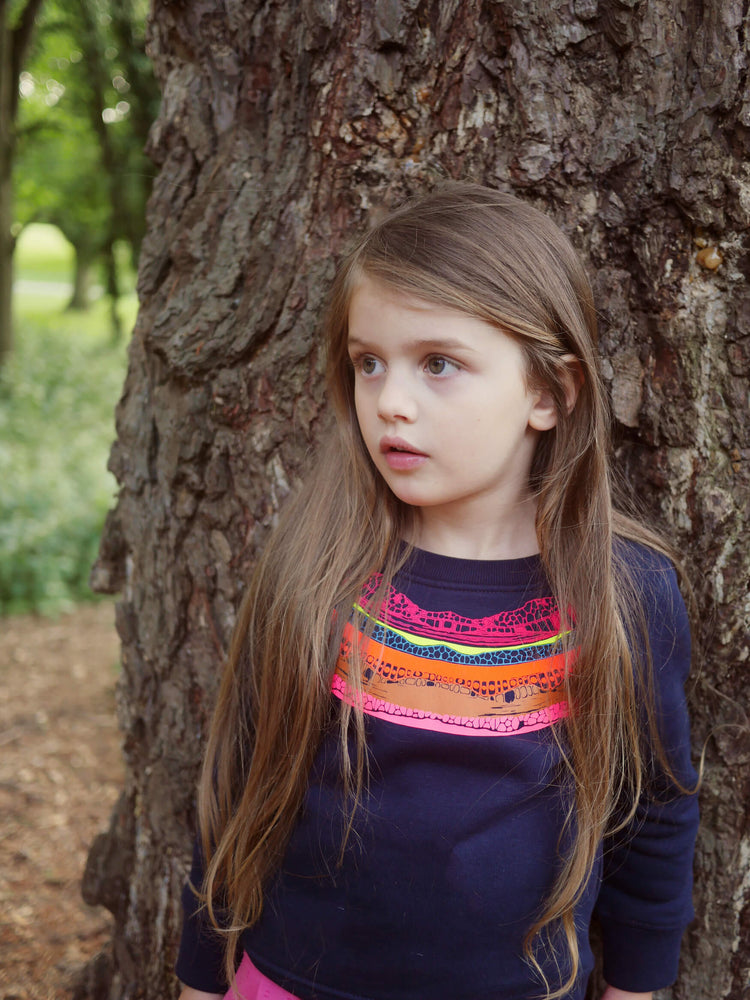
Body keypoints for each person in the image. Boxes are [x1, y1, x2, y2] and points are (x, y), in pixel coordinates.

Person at [175, 183, 699, 1000]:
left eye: (440, 364)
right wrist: (202, 983)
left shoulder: (623, 590)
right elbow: (237, 791)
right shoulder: (319, 566)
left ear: (548, 393)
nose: (391, 402)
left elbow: (656, 814)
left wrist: (638, 989)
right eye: (368, 363)